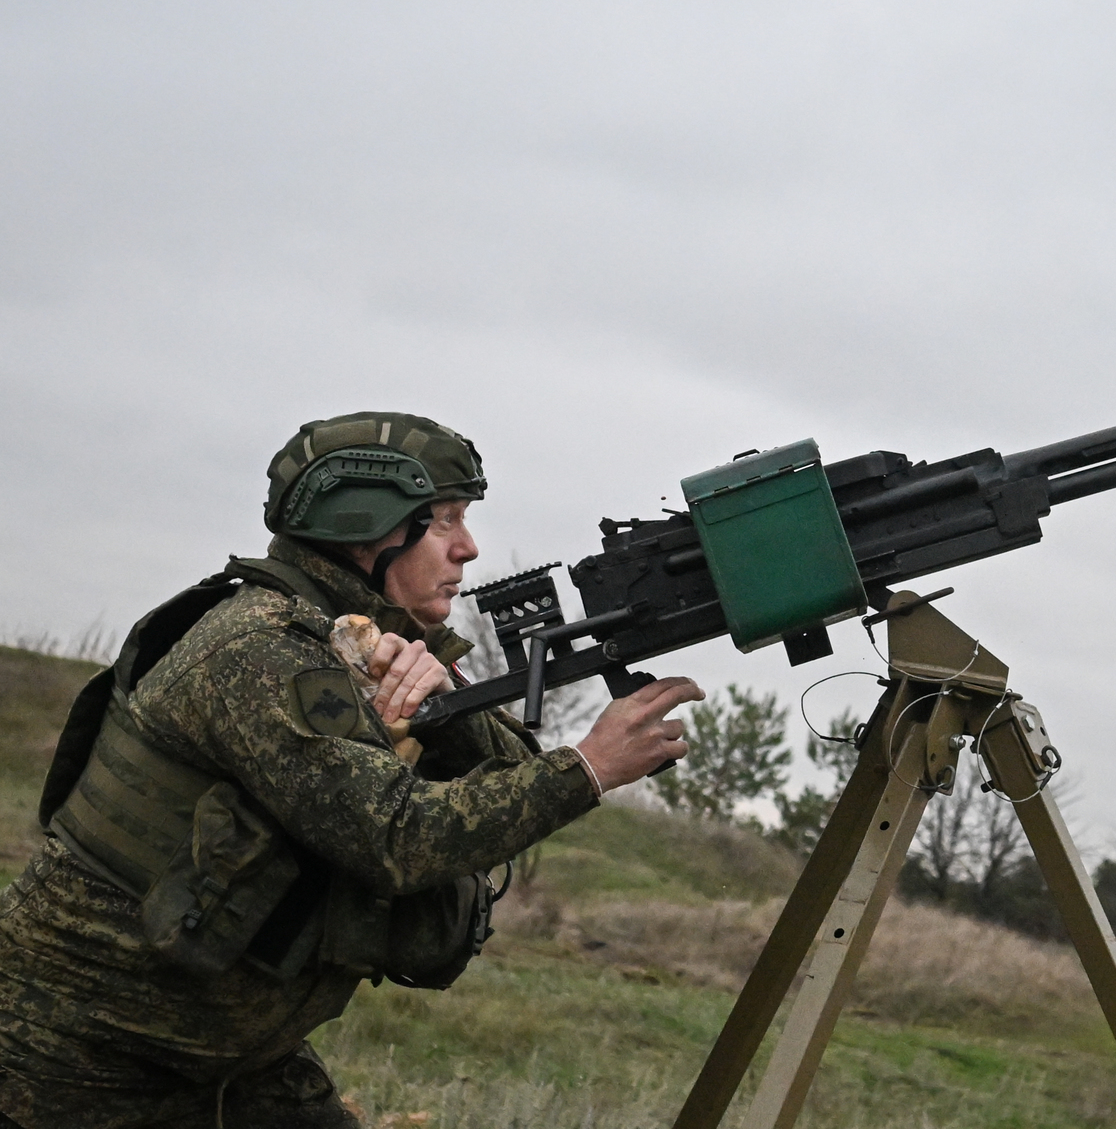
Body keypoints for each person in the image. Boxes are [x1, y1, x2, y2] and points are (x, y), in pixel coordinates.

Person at [0, 411, 698, 1127]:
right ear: (370, 529)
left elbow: (513, 770)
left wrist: (445, 704)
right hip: (74, 1056)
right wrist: (589, 767)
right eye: (447, 521)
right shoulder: (259, 648)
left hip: (230, 1058)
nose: (468, 548)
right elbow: (396, 838)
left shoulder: (348, 641)